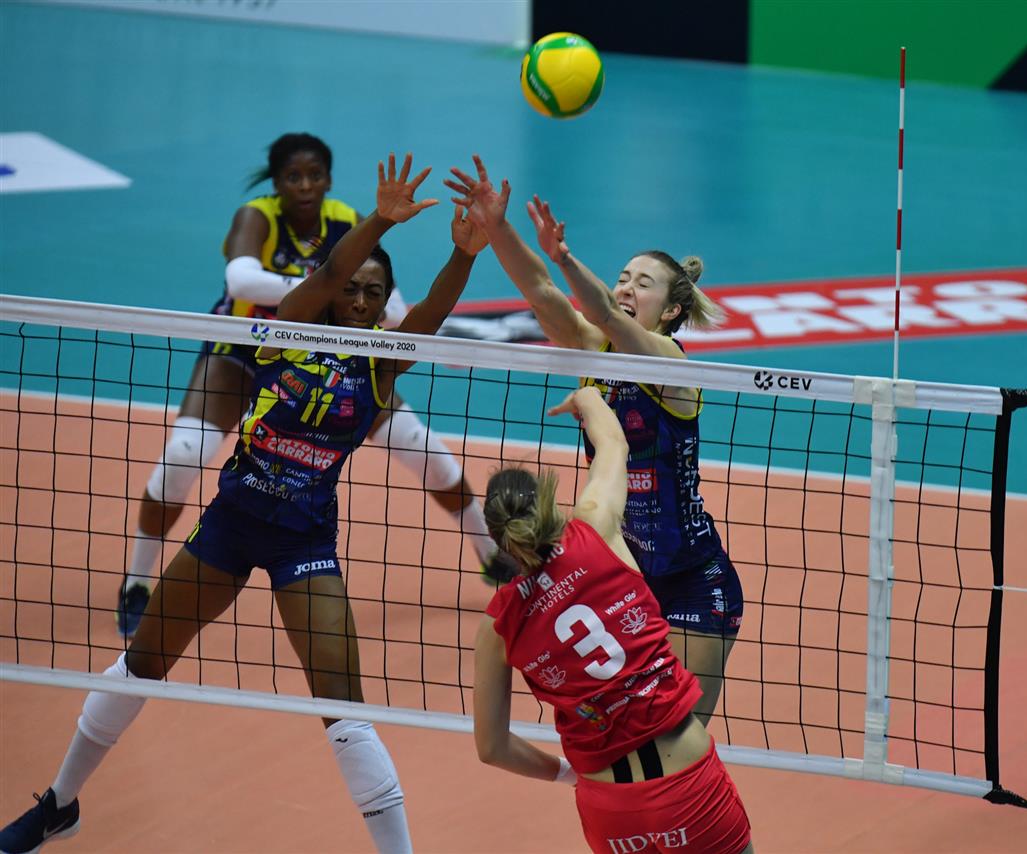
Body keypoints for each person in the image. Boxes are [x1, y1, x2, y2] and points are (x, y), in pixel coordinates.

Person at [0, 153, 471, 854]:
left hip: (303, 545)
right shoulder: (294, 327)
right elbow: (327, 276)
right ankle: (58, 805)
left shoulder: (381, 364)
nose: (359, 301)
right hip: (227, 528)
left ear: (384, 306)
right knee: (142, 664)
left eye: (375, 294)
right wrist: (378, 220)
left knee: (344, 710)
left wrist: (465, 252)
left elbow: (431, 313)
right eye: (353, 289)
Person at [117, 133, 495, 637]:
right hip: (245, 349)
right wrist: (321, 292)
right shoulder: (258, 217)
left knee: (422, 449)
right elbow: (244, 283)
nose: (305, 186)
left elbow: (394, 305)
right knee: (183, 455)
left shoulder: (345, 220)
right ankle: (137, 583)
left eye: (314, 175)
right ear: (276, 182)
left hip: (337, 354)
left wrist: (448, 284)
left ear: (329, 179)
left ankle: (494, 558)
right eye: (293, 177)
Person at [445, 155, 742, 725]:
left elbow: (602, 309)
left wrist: (564, 258)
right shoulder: (592, 350)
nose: (627, 286)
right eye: (624, 276)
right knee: (628, 730)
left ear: (671, 309)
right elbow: (539, 291)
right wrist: (497, 226)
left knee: (681, 737)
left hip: (692, 581)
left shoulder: (671, 365)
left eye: (643, 284)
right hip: (623, 577)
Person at [473, 385, 754, 854]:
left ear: (498, 540)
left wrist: (567, 774)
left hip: (610, 807)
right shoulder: (595, 527)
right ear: (547, 505)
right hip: (690, 785)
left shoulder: (497, 626)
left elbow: (492, 748)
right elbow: (614, 443)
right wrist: (587, 397)